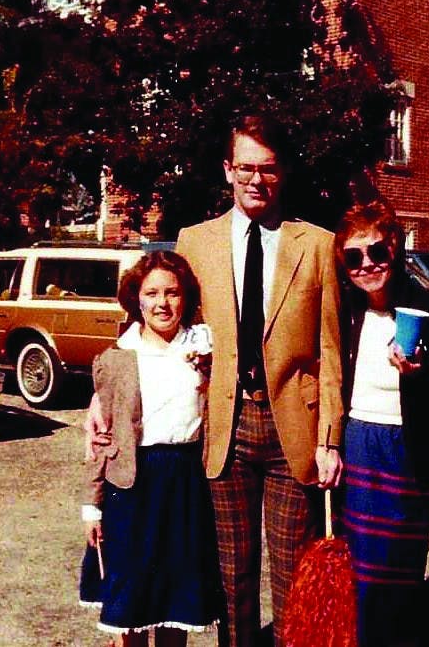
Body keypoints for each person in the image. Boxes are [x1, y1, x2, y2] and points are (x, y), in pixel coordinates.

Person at [86, 114, 344, 647]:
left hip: (292, 428)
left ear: (282, 173)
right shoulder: (194, 241)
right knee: (231, 575)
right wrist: (102, 394)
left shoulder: (316, 244)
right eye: (246, 167)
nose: (256, 180)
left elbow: (330, 351)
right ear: (228, 170)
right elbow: (156, 317)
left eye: (268, 169)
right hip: (221, 427)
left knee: (293, 571)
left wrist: (329, 438)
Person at [334, 197, 429, 647]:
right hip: (356, 443)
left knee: (397, 566)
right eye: (354, 257)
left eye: (376, 251)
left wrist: (423, 374)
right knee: (354, 566)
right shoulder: (345, 311)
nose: (367, 265)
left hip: (405, 451)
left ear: (394, 248)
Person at [79, 251, 224, 647]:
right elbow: (102, 435)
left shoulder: (203, 349)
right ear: (137, 299)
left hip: (184, 483)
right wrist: (92, 505)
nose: (163, 303)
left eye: (173, 293)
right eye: (152, 293)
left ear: (186, 298)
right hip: (133, 488)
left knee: (176, 600)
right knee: (132, 601)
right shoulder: (118, 358)